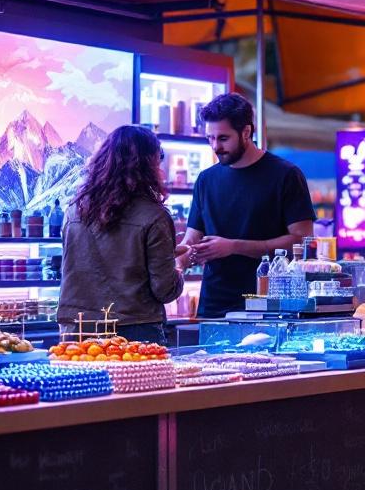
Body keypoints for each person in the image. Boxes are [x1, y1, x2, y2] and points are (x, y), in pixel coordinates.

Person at [179, 93, 315, 317]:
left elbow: (302, 240)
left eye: (223, 138)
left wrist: (233, 246)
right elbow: (192, 238)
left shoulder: (286, 175)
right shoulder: (205, 179)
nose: (215, 146)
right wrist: (178, 261)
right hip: (214, 305)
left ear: (246, 132)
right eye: (209, 138)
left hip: (269, 305)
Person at [58, 126, 183, 344]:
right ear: (149, 164)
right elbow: (164, 290)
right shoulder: (154, 216)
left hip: (76, 330)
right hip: (134, 332)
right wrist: (179, 264)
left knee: (82, 380)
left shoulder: (73, 211)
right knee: (134, 380)